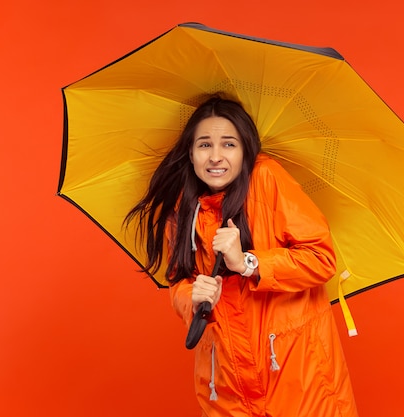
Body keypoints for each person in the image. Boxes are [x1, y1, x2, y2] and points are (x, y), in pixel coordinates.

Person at [126, 96, 358, 417]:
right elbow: (178, 281)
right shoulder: (183, 209)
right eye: (204, 145)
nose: (216, 156)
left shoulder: (267, 179)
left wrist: (248, 263)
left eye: (229, 144)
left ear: (245, 150)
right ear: (190, 154)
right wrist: (191, 297)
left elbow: (321, 258)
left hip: (297, 378)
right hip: (226, 385)